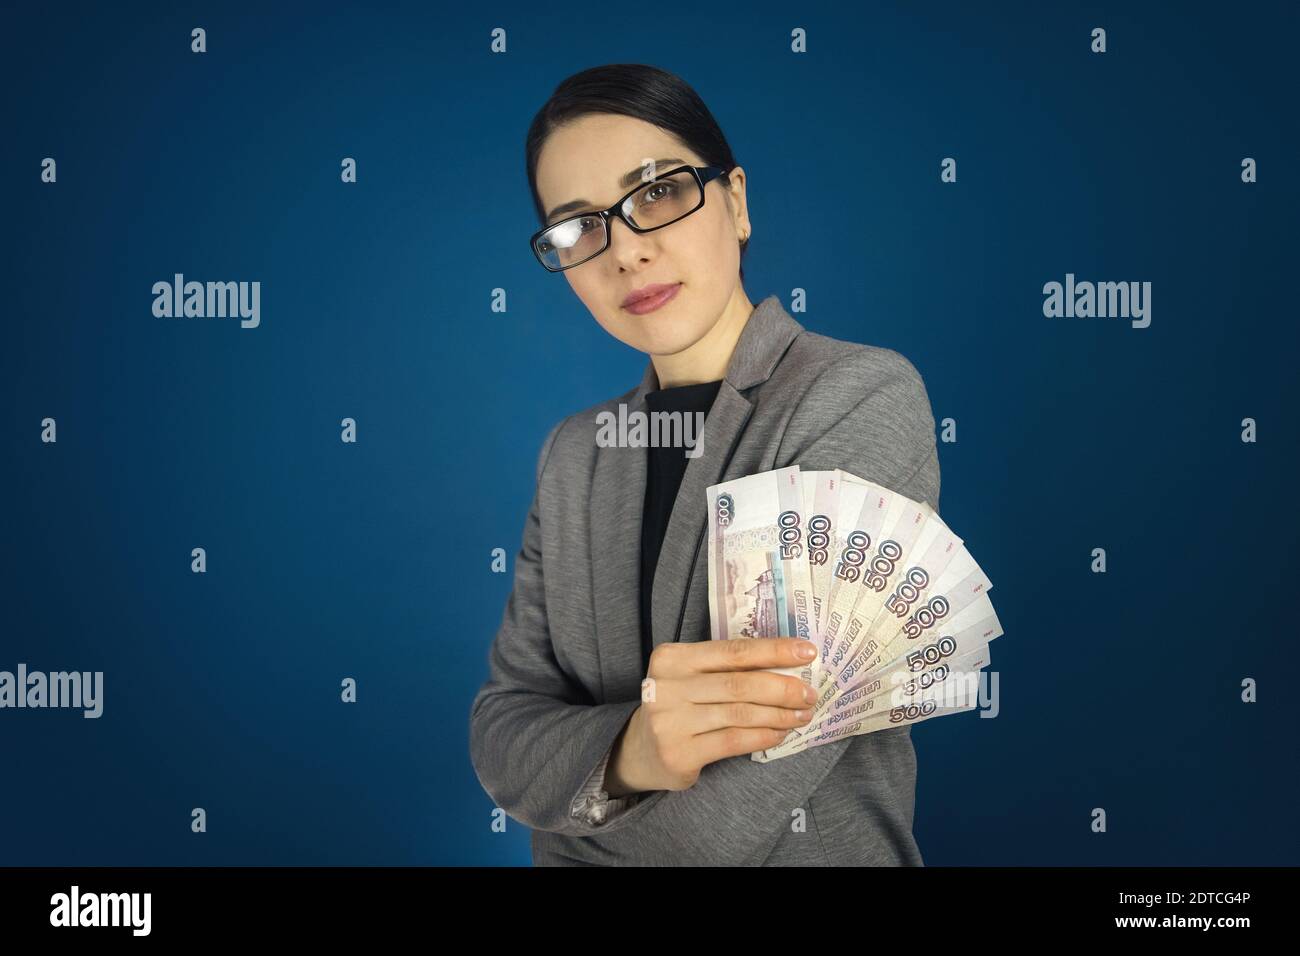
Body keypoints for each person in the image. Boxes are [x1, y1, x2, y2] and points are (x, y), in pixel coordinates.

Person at [469, 63, 940, 865]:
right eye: (580, 227)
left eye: (656, 192)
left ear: (737, 201)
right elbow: (501, 728)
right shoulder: (574, 453)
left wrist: (571, 810)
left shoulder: (857, 396)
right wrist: (634, 750)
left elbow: (752, 791)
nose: (625, 252)